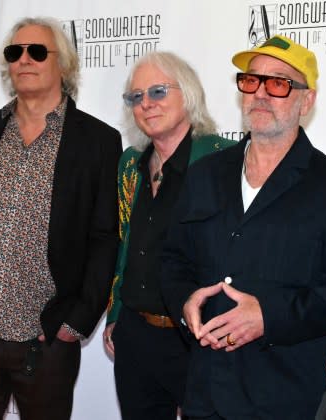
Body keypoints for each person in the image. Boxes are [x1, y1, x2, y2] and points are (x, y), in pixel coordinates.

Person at [160, 35, 326, 420]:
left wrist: (268, 316)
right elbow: (173, 259)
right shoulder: (205, 174)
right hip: (203, 394)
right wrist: (184, 300)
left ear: (307, 101)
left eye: (278, 83)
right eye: (251, 80)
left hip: (285, 399)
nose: (260, 93)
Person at [0, 17, 122, 419]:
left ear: (64, 65)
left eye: (37, 51)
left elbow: (104, 237)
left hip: (46, 340)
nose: (24, 60)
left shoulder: (98, 142)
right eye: (14, 52)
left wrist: (77, 320)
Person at [102, 52, 234, 420]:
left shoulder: (222, 160)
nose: (146, 104)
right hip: (136, 335)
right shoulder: (131, 163)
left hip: (197, 337)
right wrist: (116, 313)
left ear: (187, 94)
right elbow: (125, 241)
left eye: (158, 91)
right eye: (136, 96)